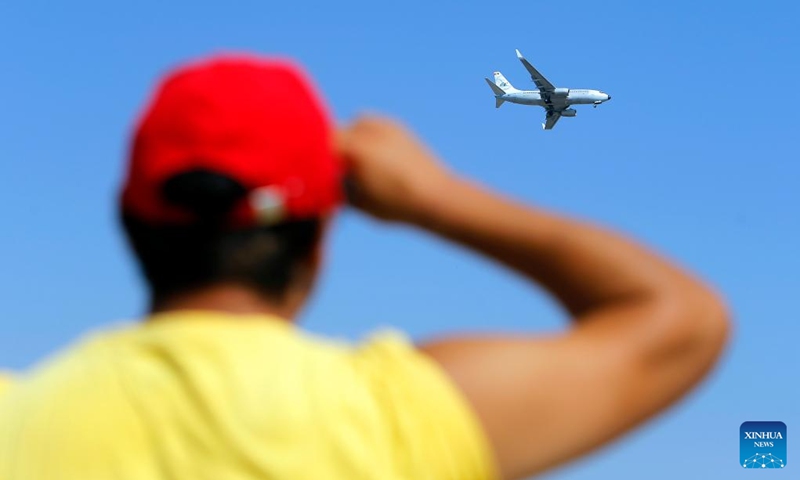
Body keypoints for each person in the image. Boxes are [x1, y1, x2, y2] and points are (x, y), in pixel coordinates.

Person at [0, 55, 729, 480]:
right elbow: (684, 322)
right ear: (320, 242)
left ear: (128, 221)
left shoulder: (16, 420)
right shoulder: (391, 421)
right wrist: (437, 198)